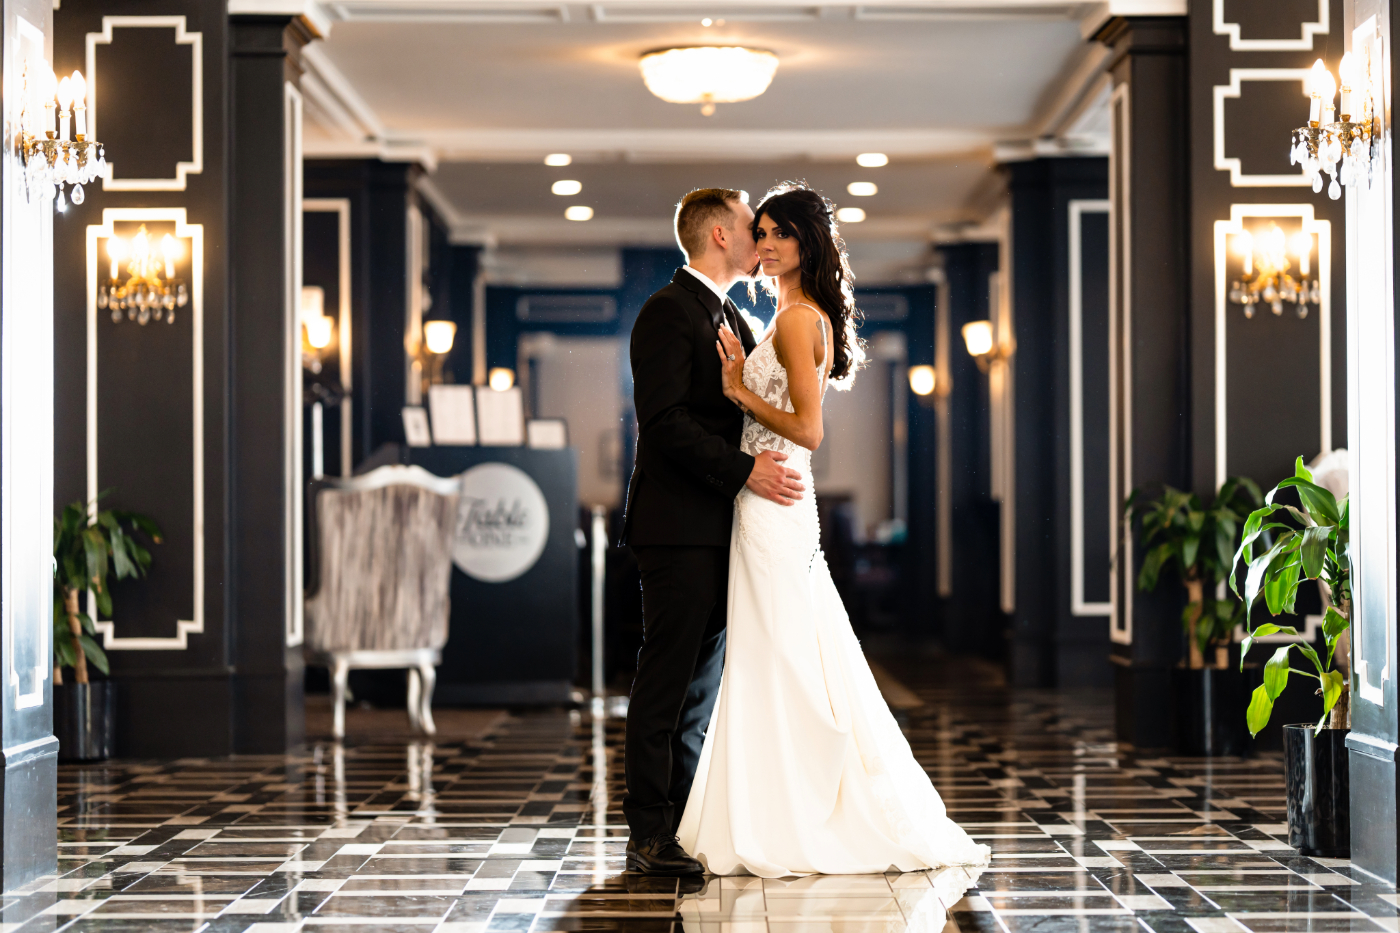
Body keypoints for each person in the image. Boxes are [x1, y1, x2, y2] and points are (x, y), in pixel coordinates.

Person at [675, 182, 992, 877]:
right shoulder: (790, 313)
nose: (761, 245)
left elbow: (809, 431)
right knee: (779, 649)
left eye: (774, 235)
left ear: (803, 243)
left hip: (775, 495)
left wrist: (737, 390)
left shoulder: (795, 319)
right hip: (773, 500)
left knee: (778, 652)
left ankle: (793, 812)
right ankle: (779, 804)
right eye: (757, 233)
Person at [619, 187, 806, 876]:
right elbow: (664, 422)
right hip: (677, 528)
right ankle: (647, 833)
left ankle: (685, 820)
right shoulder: (667, 311)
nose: (759, 232)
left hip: (719, 526)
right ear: (719, 235)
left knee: (700, 686)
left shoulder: (730, 311)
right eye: (748, 222)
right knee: (667, 682)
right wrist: (744, 471)